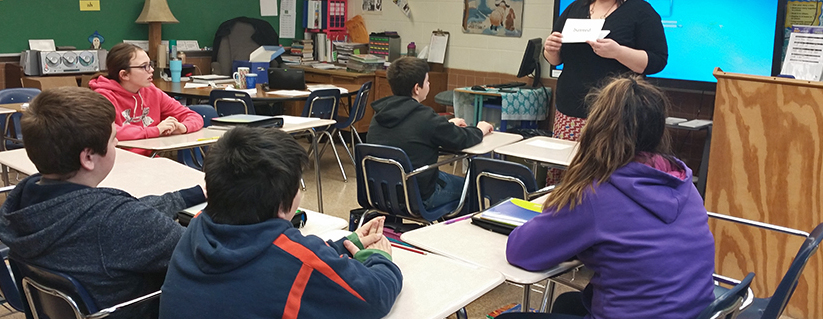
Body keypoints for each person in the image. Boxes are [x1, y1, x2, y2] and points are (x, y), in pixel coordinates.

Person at [505, 76, 714, 319]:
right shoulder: (683, 182)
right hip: (693, 313)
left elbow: (521, 251)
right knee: (568, 303)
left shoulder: (594, 194)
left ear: (596, 127)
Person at [0, 87, 206, 319]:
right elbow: (203, 254)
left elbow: (126, 211)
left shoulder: (23, 204)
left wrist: (192, 194)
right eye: (114, 139)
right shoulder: (120, 221)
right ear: (87, 158)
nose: (116, 144)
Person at [159, 127, 403, 319]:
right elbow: (375, 296)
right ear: (282, 204)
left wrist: (345, 244)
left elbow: (285, 254)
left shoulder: (197, 227)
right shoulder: (296, 259)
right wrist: (378, 258)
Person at [543, 0, 668, 186]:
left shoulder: (641, 12)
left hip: (615, 117)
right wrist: (550, 50)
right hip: (570, 114)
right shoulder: (575, 8)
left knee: (602, 183)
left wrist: (618, 52)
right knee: (565, 182)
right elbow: (556, 60)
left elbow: (657, 61)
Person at [366, 56, 494, 209]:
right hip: (419, 196)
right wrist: (480, 129)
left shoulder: (379, 114)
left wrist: (446, 124)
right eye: (427, 81)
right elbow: (462, 139)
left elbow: (411, 130)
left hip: (379, 193)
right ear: (416, 88)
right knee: (472, 186)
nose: (429, 84)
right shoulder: (425, 117)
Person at [89, 43, 203, 146]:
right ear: (124, 75)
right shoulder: (103, 97)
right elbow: (107, 131)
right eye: (144, 66)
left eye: (150, 64)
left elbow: (194, 116)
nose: (152, 70)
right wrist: (156, 130)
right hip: (121, 163)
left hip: (153, 160)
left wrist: (183, 127)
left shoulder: (152, 92)